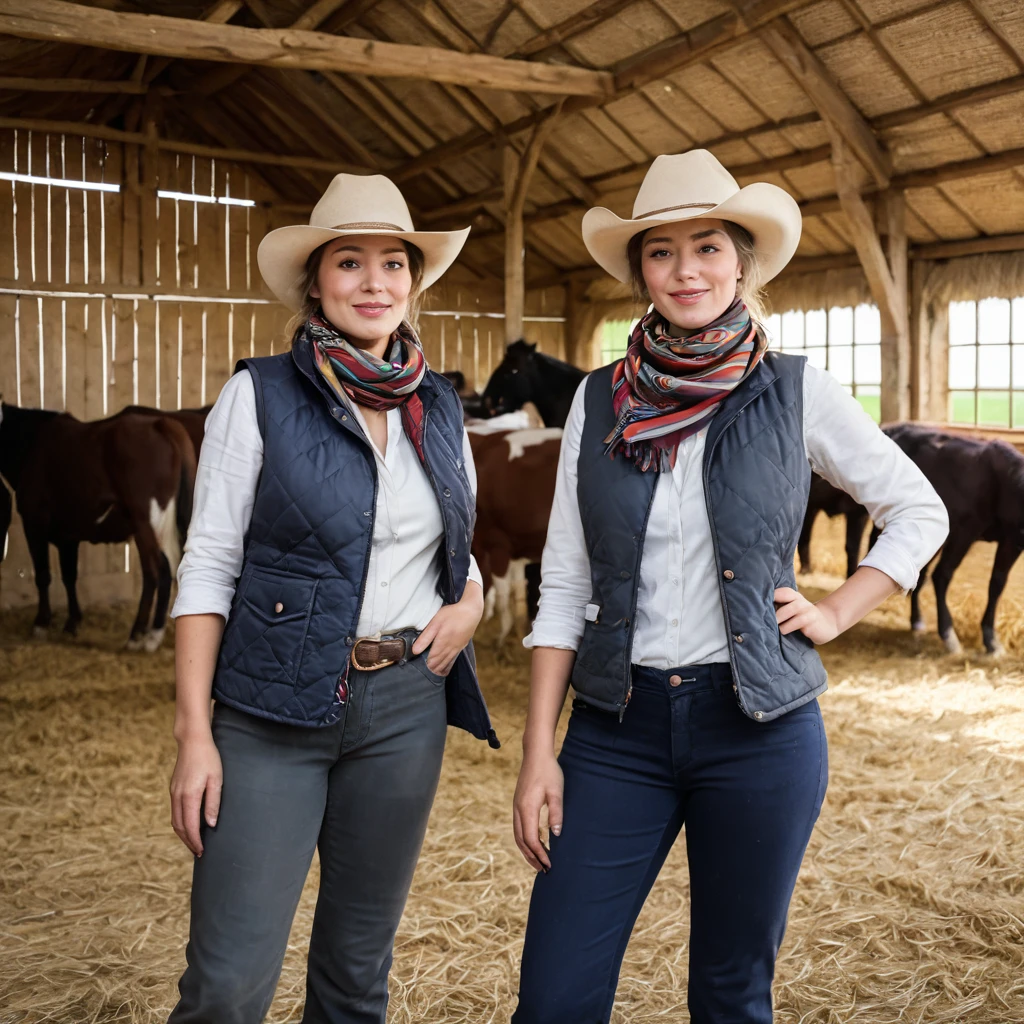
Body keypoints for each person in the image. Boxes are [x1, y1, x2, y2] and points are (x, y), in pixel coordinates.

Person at [510, 149, 949, 1023]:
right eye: (662, 251)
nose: (686, 270)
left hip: (759, 733)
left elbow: (918, 509)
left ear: (741, 263)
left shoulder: (795, 391)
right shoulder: (597, 403)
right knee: (555, 994)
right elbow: (564, 583)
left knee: (730, 991)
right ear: (640, 270)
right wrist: (537, 753)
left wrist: (836, 609)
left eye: (707, 247)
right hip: (615, 733)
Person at [166, 173, 498, 1024]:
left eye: (394, 263)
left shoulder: (440, 406)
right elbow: (206, 567)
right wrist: (195, 735)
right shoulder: (260, 395)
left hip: (404, 707)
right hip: (270, 715)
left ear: (413, 283)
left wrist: (471, 603)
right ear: (317, 282)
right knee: (229, 984)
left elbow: (458, 551)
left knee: (356, 973)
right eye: (351, 262)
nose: (375, 282)